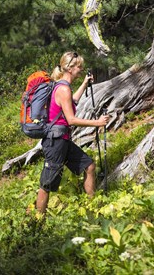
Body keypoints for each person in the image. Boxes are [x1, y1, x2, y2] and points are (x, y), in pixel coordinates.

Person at [35, 51, 109, 214]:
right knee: (47, 183)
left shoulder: (62, 86)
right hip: (56, 142)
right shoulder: (63, 89)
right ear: (70, 69)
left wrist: (84, 83)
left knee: (88, 166)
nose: (81, 69)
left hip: (63, 140)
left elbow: (72, 101)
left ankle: (92, 209)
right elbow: (71, 120)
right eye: (78, 67)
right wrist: (97, 123)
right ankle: (37, 222)